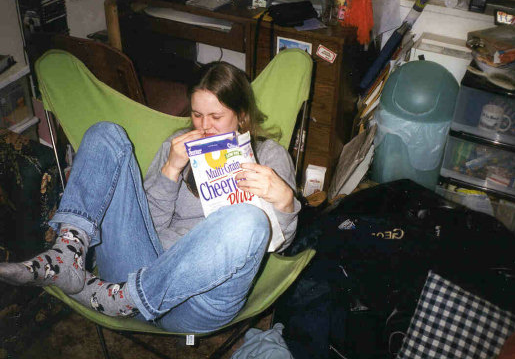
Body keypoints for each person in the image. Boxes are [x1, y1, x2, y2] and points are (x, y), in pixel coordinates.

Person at [0, 61, 300, 333]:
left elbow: (276, 245)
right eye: (197, 115)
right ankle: (68, 253)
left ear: (242, 115)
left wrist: (285, 201)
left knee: (247, 220)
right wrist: (171, 169)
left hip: (203, 303)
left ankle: (124, 298)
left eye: (216, 116)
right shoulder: (177, 145)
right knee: (106, 133)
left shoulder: (271, 156)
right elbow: (147, 226)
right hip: (141, 266)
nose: (205, 126)